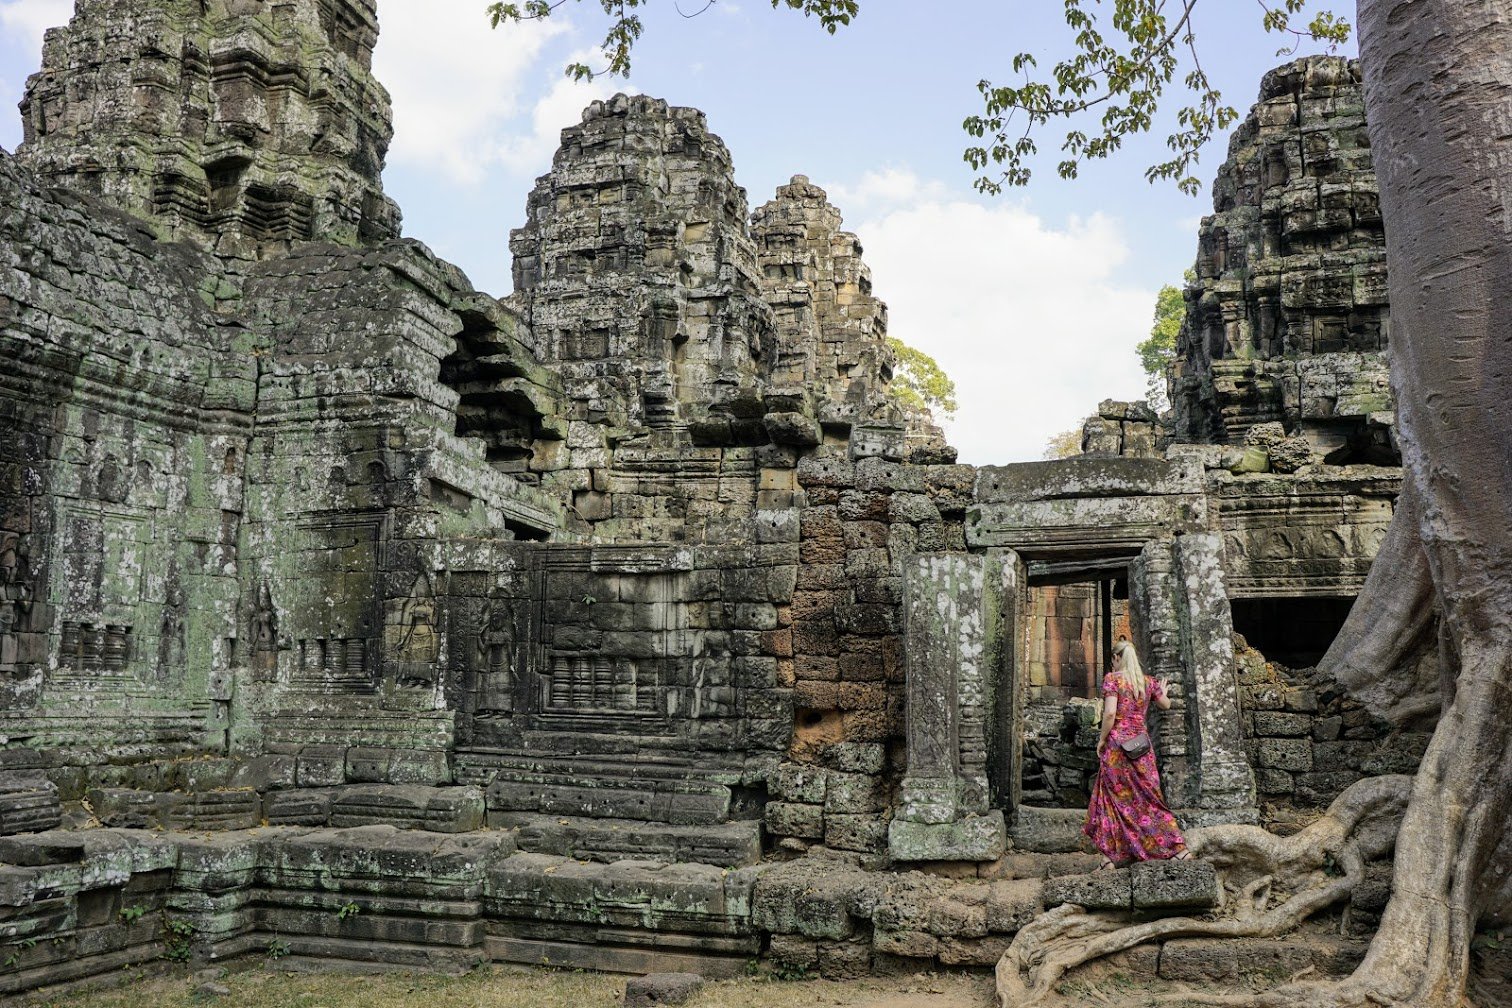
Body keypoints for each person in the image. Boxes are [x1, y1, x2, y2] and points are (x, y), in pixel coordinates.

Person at [1083, 637, 1192, 868]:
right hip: (1142, 748)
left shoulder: (1113, 680)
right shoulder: (1147, 682)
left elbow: (1110, 714)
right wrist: (1162, 691)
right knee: (1150, 799)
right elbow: (1166, 705)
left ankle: (1111, 857)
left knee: (1113, 800)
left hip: (1117, 749)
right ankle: (1177, 848)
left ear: (1116, 658)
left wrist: (1102, 739)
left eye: (1113, 659)